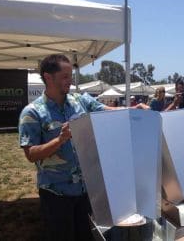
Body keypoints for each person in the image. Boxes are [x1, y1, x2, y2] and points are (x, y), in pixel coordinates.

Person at [18, 54, 119, 241]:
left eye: (70, 76)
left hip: (85, 192)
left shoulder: (80, 102)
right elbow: (31, 154)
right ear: (48, 77)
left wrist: (135, 109)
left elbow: (108, 113)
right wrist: (60, 139)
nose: (70, 81)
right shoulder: (32, 113)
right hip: (56, 194)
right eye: (65, 77)